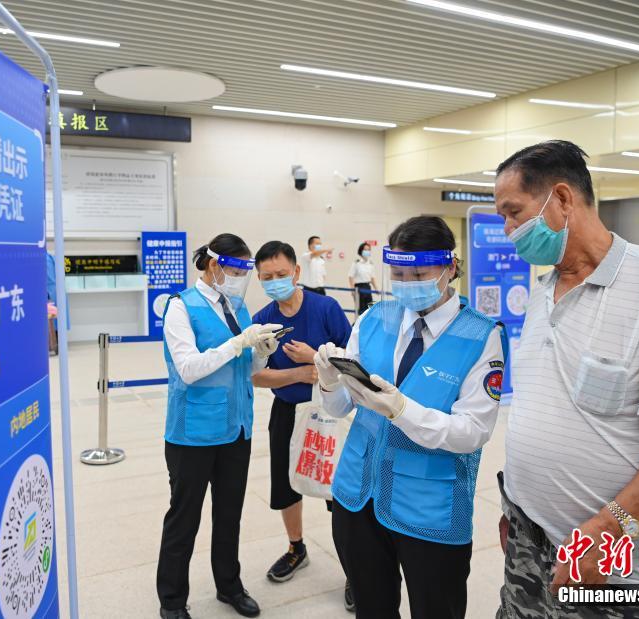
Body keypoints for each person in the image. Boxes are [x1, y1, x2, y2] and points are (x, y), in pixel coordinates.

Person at [493, 141, 639, 618]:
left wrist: (610, 527)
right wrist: (518, 511)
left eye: (514, 213)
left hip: (619, 561)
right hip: (529, 547)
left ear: (561, 199)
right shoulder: (542, 292)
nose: (508, 231)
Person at [314, 215, 507, 618]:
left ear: (449, 268)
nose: (406, 282)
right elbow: (338, 409)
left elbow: (472, 432)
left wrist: (403, 411)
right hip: (357, 496)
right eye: (398, 273)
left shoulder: (480, 335)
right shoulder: (372, 320)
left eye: (419, 273)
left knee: (436, 609)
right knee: (371, 607)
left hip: (428, 508)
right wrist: (329, 382)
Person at [157, 233, 283, 619]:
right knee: (184, 519)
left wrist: (261, 353)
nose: (239, 277)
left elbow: (246, 370)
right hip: (193, 434)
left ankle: (229, 585)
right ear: (214, 266)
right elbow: (190, 369)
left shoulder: (238, 306)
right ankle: (172, 601)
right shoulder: (181, 307)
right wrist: (237, 344)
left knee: (229, 515)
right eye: (235, 269)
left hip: (236, 431)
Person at [250, 241, 354, 609]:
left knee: (338, 492)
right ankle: (296, 547)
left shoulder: (325, 308)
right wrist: (299, 372)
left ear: (296, 272)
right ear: (259, 279)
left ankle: (354, 570)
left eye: (282, 274)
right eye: (267, 278)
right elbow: (257, 376)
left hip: (329, 411)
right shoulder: (262, 320)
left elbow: (352, 358)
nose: (276, 282)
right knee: (285, 485)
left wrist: (318, 363)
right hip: (286, 413)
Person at [348, 242, 378, 315]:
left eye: (368, 250)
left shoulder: (370, 263)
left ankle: (367, 325)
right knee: (360, 310)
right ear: (361, 251)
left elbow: (372, 277)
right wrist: (352, 290)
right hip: (359, 287)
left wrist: (376, 288)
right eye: (365, 249)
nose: (367, 251)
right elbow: (350, 276)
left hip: (367, 287)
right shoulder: (356, 263)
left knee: (369, 309)